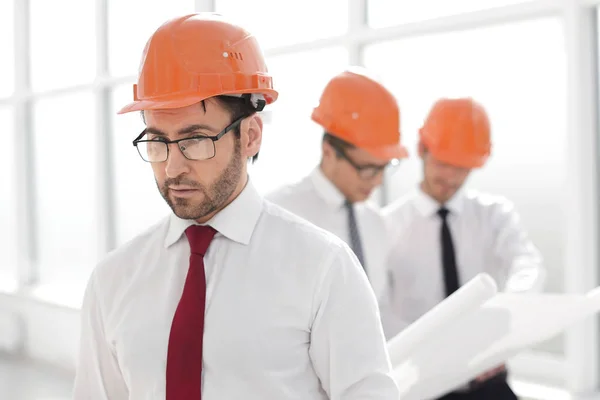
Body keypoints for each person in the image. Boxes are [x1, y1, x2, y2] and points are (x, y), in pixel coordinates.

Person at [72, 13, 399, 399]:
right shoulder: (113, 280)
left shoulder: (322, 267)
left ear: (251, 135)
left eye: (195, 139)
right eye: (157, 141)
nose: (173, 167)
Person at [380, 97, 546, 399]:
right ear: (422, 150)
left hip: (488, 380)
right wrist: (429, 349)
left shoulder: (494, 214)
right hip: (421, 385)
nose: (452, 178)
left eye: (463, 168)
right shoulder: (386, 226)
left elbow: (528, 265)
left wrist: (503, 319)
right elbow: (377, 307)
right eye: (443, 163)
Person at [266, 68, 408, 297]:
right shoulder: (280, 214)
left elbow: (379, 308)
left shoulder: (375, 222)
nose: (379, 181)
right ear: (329, 152)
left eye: (384, 167)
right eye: (368, 169)